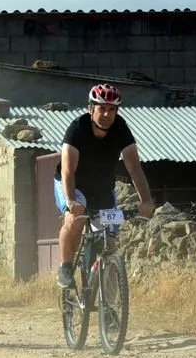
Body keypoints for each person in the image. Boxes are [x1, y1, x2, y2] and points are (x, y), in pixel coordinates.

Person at [54, 83, 155, 289]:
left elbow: (134, 168)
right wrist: (71, 200)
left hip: (101, 188)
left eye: (112, 109)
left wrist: (146, 200)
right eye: (102, 108)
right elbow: (67, 170)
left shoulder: (121, 129)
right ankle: (65, 267)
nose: (107, 114)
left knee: (109, 238)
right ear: (91, 109)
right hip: (73, 185)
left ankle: (107, 297)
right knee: (75, 220)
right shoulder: (77, 129)